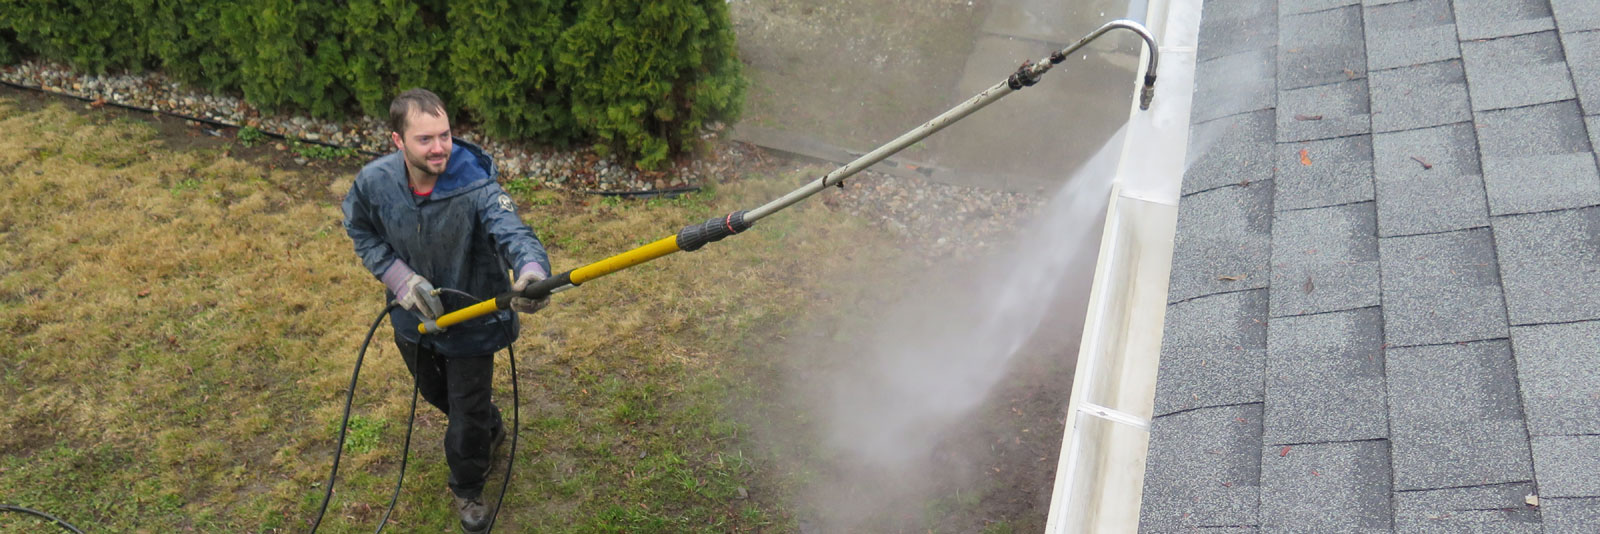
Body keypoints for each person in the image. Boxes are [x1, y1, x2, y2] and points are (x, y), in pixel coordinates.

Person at [341, 88, 550, 533]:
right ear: (397, 141)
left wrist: (531, 270)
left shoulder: (475, 184)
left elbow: (513, 231)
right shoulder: (374, 182)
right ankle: (488, 427)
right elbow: (359, 229)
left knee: (466, 412)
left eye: (446, 135)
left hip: (473, 321)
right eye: (425, 139)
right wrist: (400, 279)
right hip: (412, 320)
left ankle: (468, 486)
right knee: (440, 396)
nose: (439, 148)